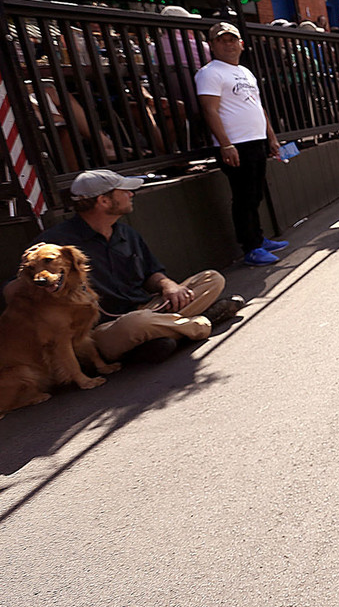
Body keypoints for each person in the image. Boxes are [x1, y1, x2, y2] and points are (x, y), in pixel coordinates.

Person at [32, 170, 242, 363]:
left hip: (148, 309)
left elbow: (151, 273)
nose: (131, 195)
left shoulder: (126, 233)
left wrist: (168, 286)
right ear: (104, 201)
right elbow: (19, 284)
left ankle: (159, 338)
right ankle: (203, 323)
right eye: (124, 191)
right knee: (134, 324)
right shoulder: (56, 242)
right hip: (104, 328)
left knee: (212, 279)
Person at [194, 22, 289, 267]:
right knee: (244, 196)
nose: (228, 44)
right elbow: (209, 109)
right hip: (236, 143)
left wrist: (271, 136)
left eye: (232, 39)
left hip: (255, 140)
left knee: (255, 193)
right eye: (222, 40)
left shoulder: (246, 72)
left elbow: (257, 106)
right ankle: (251, 247)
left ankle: (257, 238)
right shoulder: (210, 72)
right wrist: (225, 144)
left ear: (241, 44)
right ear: (212, 45)